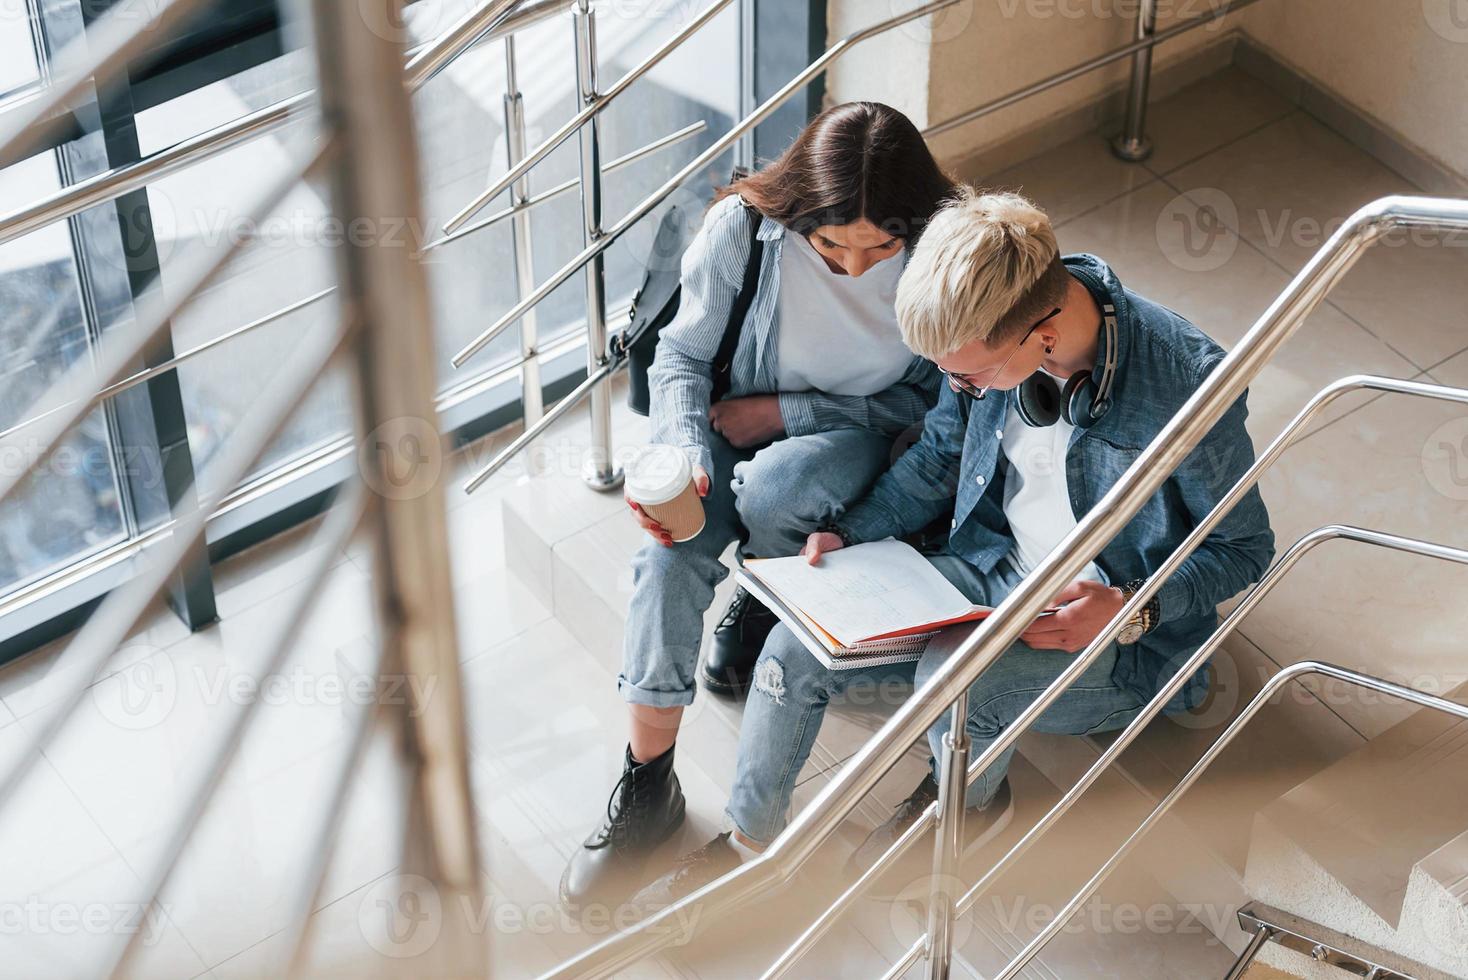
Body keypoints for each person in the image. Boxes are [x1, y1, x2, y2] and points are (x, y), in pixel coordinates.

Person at [627, 187, 1276, 907]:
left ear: (1045, 334)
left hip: (1115, 636)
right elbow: (938, 460)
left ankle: (968, 804)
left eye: (969, 375)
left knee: (951, 681)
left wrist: (1130, 610)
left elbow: (1245, 550)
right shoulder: (983, 353)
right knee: (787, 649)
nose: (957, 388)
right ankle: (750, 850)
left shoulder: (1188, 384)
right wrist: (853, 536)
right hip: (986, 569)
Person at [560, 102, 959, 912]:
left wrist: (787, 414)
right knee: (668, 556)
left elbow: (925, 400)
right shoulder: (743, 229)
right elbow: (681, 356)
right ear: (803, 211)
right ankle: (647, 786)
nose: (855, 266)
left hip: (853, 426)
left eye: (880, 246)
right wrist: (675, 453)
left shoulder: (945, 249)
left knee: (780, 491)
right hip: (722, 418)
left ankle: (765, 601)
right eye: (833, 245)